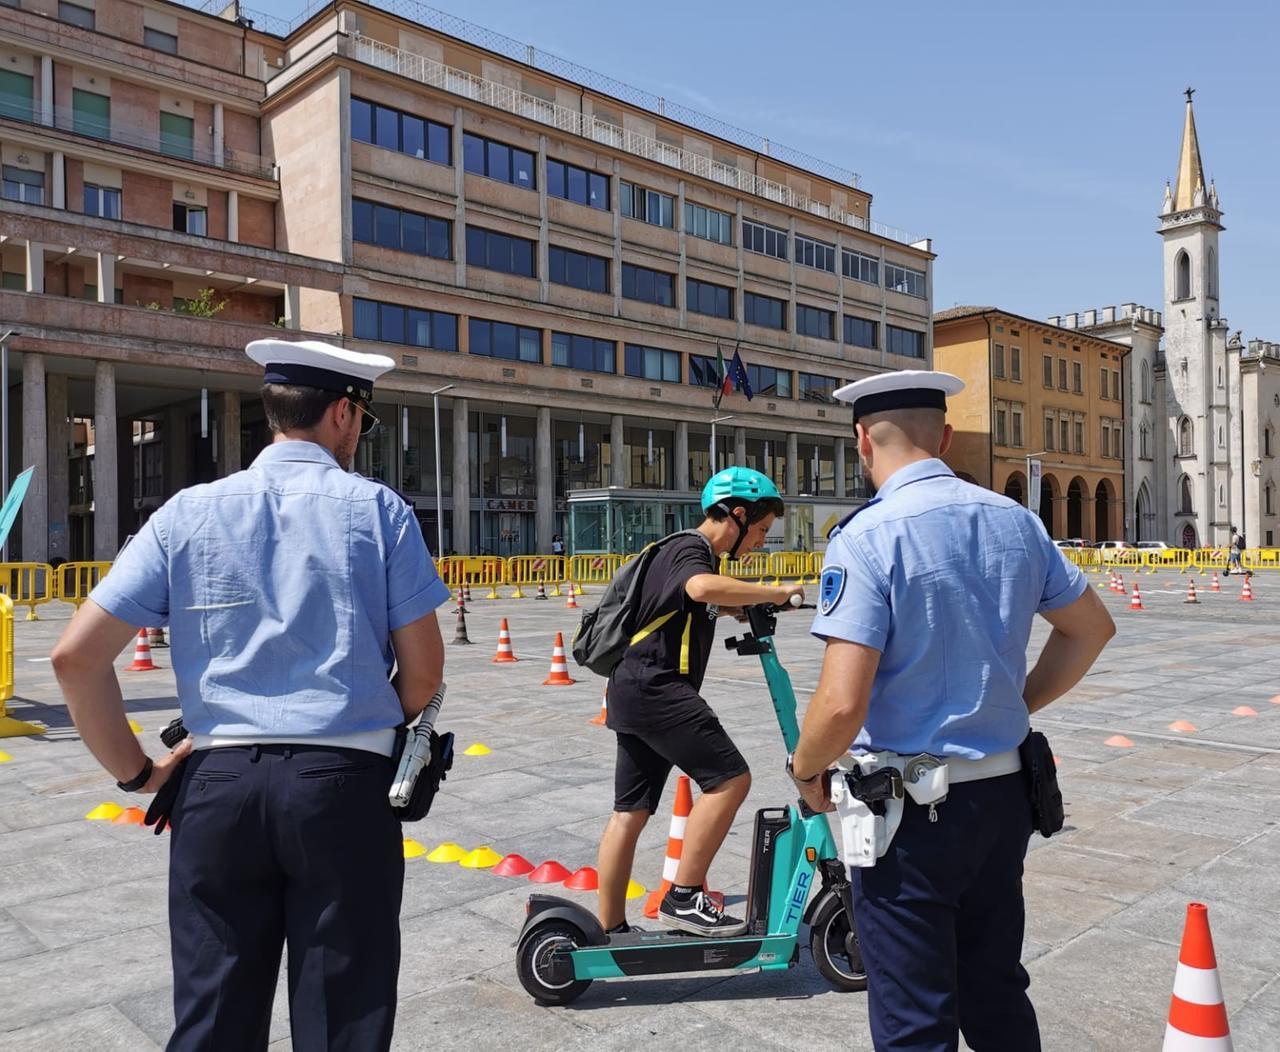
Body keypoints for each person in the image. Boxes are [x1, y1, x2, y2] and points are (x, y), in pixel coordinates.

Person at [51, 338, 450, 1051]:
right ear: (343, 415)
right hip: (343, 787)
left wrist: (139, 774)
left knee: (213, 1020)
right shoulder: (378, 511)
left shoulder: (188, 512)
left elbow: (75, 658)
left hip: (218, 786)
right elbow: (422, 675)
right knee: (342, 1018)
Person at [787, 371, 1115, 1051]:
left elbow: (842, 701)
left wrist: (806, 767)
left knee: (914, 1019)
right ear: (946, 435)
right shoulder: (1015, 520)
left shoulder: (866, 537)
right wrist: (1011, 704)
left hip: (910, 816)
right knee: (995, 992)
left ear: (860, 442)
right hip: (1002, 797)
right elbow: (1090, 628)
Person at [596, 466, 804, 937]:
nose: (759, 543)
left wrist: (744, 605)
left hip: (631, 687)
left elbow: (698, 602)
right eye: (761, 531)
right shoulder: (693, 551)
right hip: (658, 687)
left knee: (629, 812)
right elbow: (700, 589)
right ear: (738, 514)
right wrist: (777, 590)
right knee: (730, 780)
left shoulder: (673, 552)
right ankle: (685, 896)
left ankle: (609, 929)